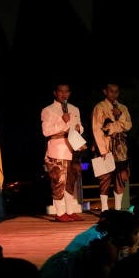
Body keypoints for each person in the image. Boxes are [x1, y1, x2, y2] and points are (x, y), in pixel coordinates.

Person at [41, 82, 86, 222]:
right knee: (58, 181)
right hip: (57, 149)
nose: (64, 94)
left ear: (69, 93)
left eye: (66, 92)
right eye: (61, 91)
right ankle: (60, 213)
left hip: (73, 148)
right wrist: (62, 121)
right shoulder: (48, 110)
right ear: (55, 93)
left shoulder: (74, 109)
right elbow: (46, 131)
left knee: (71, 182)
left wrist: (80, 129)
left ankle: (70, 211)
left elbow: (79, 127)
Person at [92, 82, 132, 212]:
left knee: (121, 177)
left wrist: (118, 117)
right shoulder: (100, 107)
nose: (114, 94)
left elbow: (128, 125)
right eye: (111, 91)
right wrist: (102, 150)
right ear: (105, 92)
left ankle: (118, 208)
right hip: (106, 145)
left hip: (120, 147)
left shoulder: (123, 108)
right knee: (105, 177)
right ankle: (104, 209)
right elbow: (97, 129)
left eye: (116, 91)